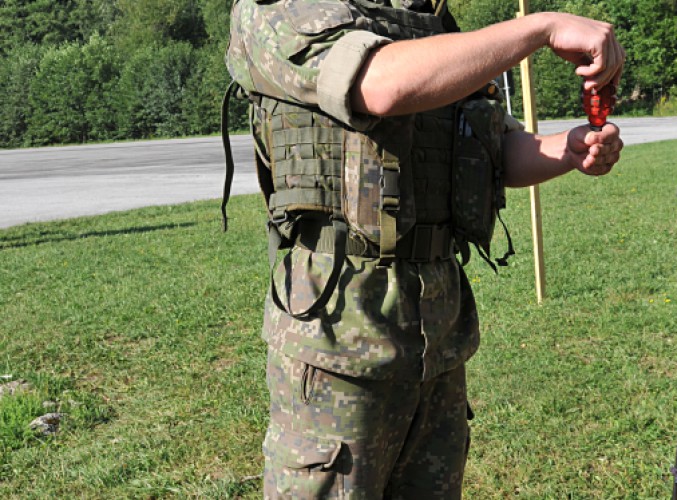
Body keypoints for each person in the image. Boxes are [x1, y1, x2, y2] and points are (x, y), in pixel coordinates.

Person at [224, 0, 624, 497]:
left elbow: (494, 150)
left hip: (436, 338)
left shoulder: (430, 23)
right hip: (340, 341)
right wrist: (540, 29)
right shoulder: (284, 11)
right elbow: (382, 84)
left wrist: (569, 148)